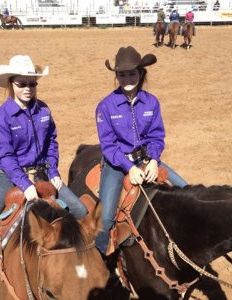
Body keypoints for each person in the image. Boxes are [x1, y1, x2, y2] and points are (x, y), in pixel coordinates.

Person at [0, 55, 88, 276]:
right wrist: (24, 183)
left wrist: (52, 170)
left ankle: (76, 260)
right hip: (10, 176)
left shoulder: (43, 110)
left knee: (81, 210)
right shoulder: (2, 117)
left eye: (32, 83)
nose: (27, 88)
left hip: (43, 172)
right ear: (11, 84)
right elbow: (4, 156)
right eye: (21, 84)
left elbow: (52, 141)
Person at [95, 46, 187, 255]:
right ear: (116, 75)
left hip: (147, 158)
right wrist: (129, 167)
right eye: (122, 74)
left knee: (185, 190)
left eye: (132, 73)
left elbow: (156, 136)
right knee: (107, 215)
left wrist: (154, 160)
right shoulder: (105, 106)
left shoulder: (151, 102)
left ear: (141, 73)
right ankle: (100, 256)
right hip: (117, 163)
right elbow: (108, 146)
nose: (127, 78)